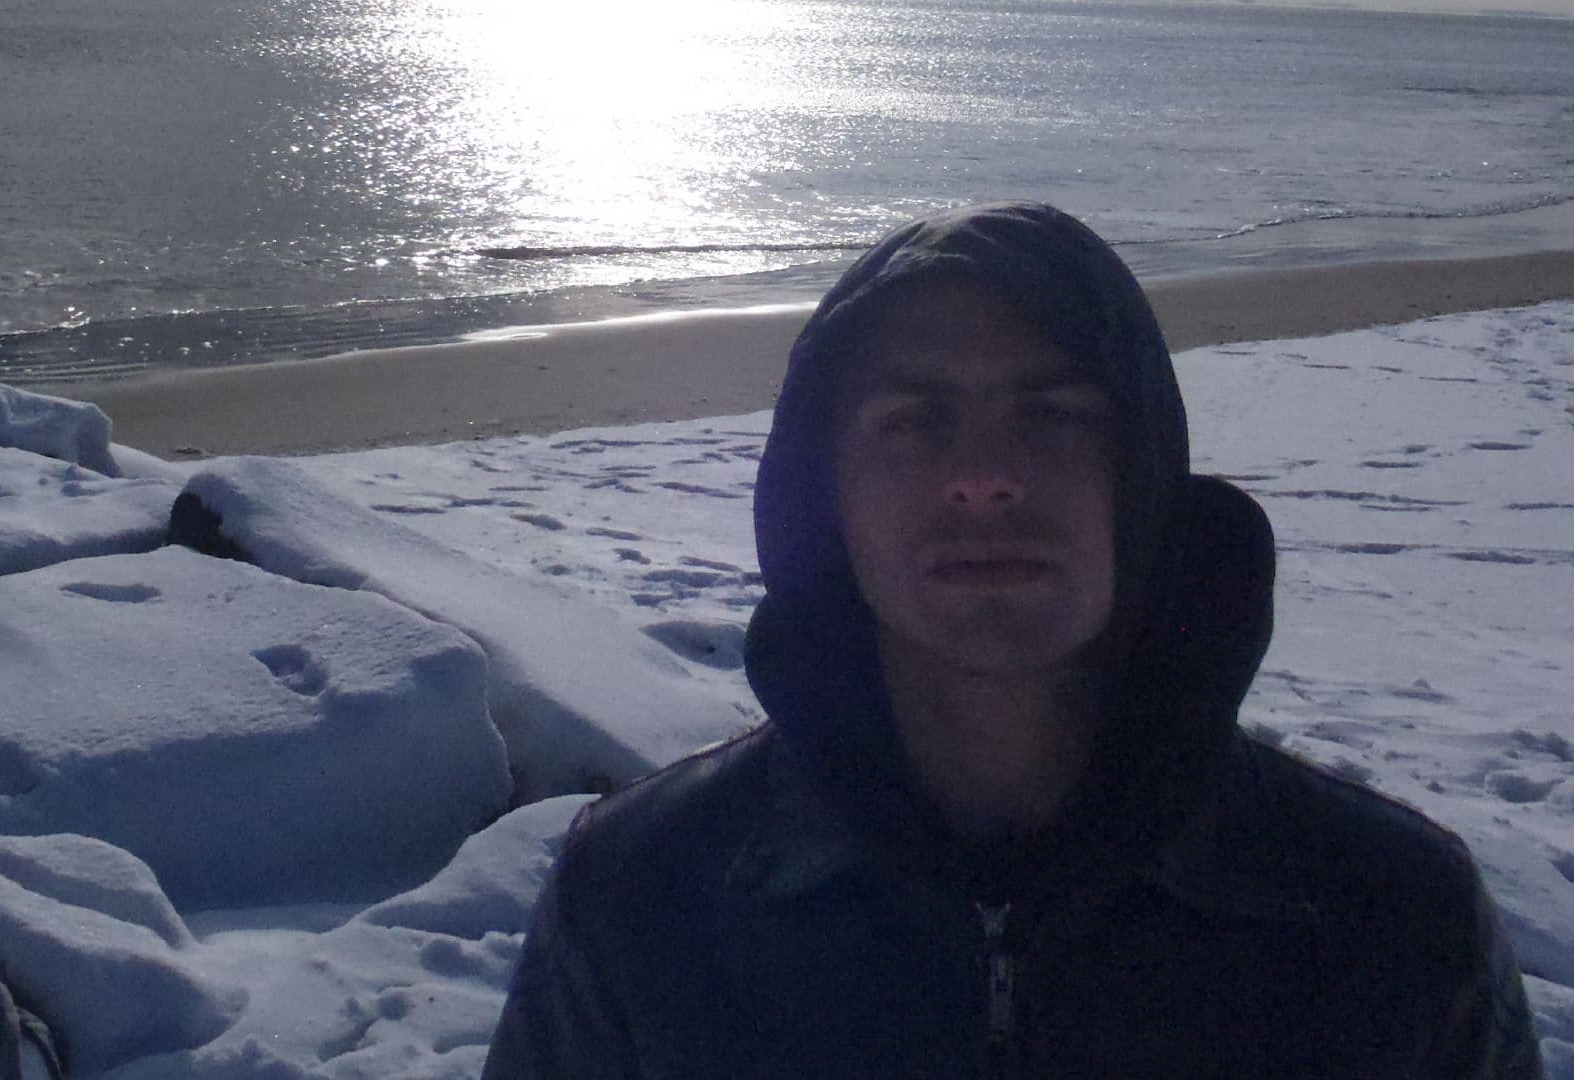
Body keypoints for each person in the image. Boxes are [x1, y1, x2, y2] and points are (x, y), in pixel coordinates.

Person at [482, 202, 1544, 1078]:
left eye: (1053, 414)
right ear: (824, 496)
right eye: (914, 420)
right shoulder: (646, 904)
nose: (983, 476)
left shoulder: (1388, 922)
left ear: (1142, 476)